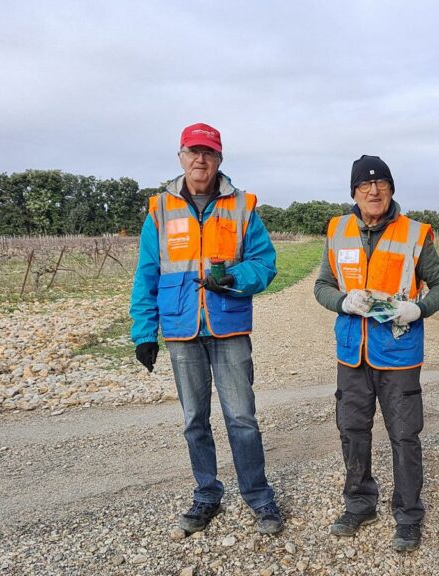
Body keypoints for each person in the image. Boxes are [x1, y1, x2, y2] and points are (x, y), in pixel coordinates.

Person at [130, 122, 284, 535]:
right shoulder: (159, 209)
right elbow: (146, 274)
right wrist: (144, 332)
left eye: (209, 152)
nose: (201, 159)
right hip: (181, 330)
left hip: (228, 327)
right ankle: (206, 495)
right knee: (194, 419)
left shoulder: (243, 206)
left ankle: (259, 497)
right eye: (193, 151)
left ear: (219, 159)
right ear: (181, 157)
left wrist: (234, 277)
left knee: (242, 418)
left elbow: (265, 264)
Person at [314, 155, 439, 552]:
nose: (373, 191)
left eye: (381, 184)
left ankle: (408, 517)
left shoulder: (414, 233)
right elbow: (322, 285)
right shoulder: (337, 230)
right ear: (354, 191)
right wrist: (342, 302)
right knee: (352, 431)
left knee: (404, 436)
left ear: (391, 189)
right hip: (352, 354)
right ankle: (359, 505)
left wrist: (419, 308)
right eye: (364, 185)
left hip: (398, 353)